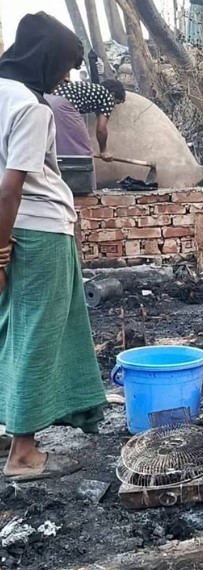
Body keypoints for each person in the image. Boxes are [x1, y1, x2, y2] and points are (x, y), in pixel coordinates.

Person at [0, 12, 107, 481]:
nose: (65, 77)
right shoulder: (30, 107)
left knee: (12, 327)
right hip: (39, 229)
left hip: (11, 228)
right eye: (64, 66)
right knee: (42, 331)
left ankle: (8, 427)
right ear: (45, 59)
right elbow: (12, 187)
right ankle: (23, 453)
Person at [52, 78, 126, 162]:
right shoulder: (108, 97)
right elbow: (101, 129)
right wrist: (103, 151)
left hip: (50, 99)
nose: (113, 106)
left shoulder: (93, 91)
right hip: (64, 106)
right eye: (116, 102)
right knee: (82, 147)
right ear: (113, 95)